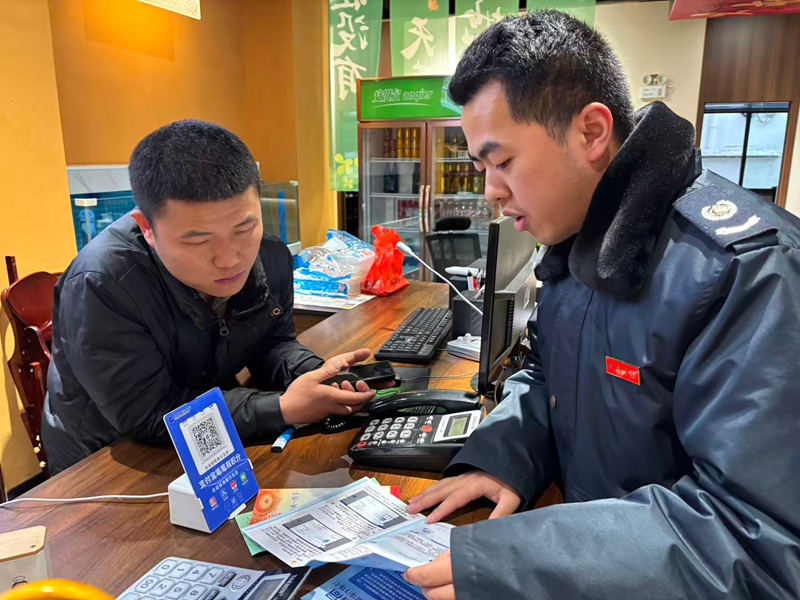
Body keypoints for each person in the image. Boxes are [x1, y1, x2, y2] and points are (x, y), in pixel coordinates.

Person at [404, 10, 800, 600]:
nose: (490, 191)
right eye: (481, 167)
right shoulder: (578, 239)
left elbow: (757, 539)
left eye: (503, 161)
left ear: (591, 132)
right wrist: (505, 455)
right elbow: (546, 372)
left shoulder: (748, 270)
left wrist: (521, 564)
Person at [43, 120, 374, 474]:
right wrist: (284, 408)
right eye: (198, 241)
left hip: (211, 429)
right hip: (108, 459)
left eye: (244, 228)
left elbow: (271, 344)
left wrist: (316, 375)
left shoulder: (270, 253)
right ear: (146, 228)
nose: (230, 259)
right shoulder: (102, 284)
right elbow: (150, 415)